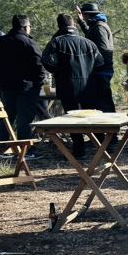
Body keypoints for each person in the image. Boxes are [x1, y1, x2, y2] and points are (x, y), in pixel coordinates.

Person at [41, 14, 104, 160]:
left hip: (66, 85)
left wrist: (58, 70)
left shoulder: (56, 42)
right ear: (74, 25)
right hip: (88, 85)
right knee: (93, 117)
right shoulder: (89, 43)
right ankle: (101, 148)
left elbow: (47, 62)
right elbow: (100, 62)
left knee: (72, 118)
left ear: (59, 26)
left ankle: (79, 150)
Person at [0, 14, 46, 160]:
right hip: (27, 87)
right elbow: (39, 66)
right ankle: (24, 151)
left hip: (6, 87)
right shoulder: (29, 43)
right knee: (25, 118)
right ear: (26, 27)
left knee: (6, 117)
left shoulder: (1, 42)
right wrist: (38, 83)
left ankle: (2, 149)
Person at [75, 2, 115, 114]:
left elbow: (103, 49)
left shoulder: (99, 27)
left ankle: (111, 129)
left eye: (84, 15)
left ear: (88, 15)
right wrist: (80, 21)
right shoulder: (97, 26)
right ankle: (110, 129)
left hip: (101, 70)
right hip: (102, 69)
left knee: (103, 101)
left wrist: (94, 64)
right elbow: (90, 34)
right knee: (103, 99)